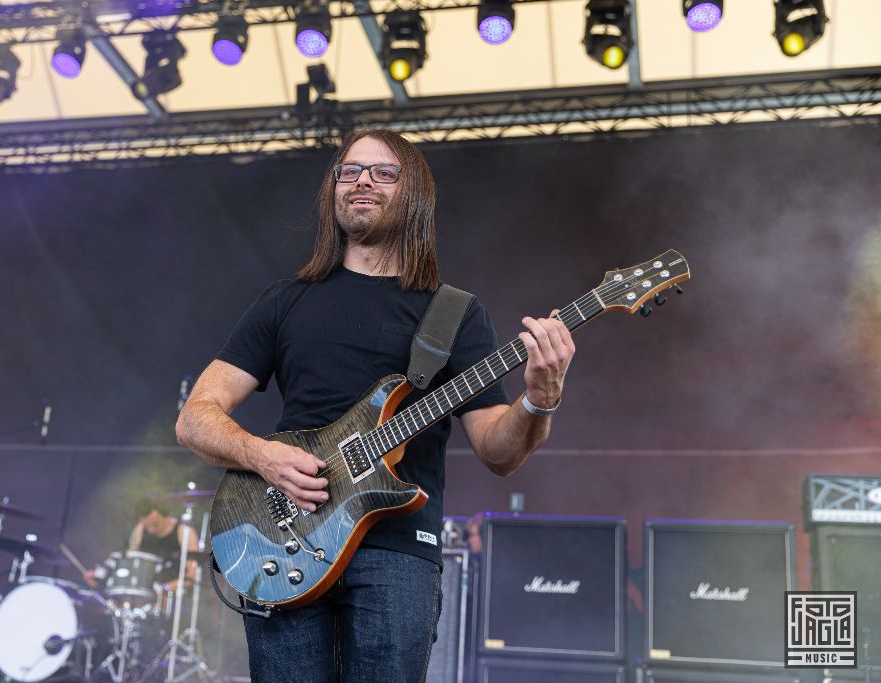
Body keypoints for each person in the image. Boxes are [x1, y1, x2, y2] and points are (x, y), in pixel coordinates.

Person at [175, 129, 574, 682]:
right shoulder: (284, 302)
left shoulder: (453, 313)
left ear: (414, 194)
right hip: (284, 537)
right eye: (350, 170)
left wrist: (539, 399)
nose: (362, 180)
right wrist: (264, 456)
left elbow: (498, 451)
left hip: (398, 552)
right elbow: (195, 418)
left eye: (384, 172)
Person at [83, 498, 199, 591]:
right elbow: (127, 563)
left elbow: (191, 576)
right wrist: (99, 574)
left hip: (175, 598)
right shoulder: (139, 530)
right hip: (144, 593)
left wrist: (165, 589)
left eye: (154, 525)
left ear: (161, 514)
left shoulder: (184, 533)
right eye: (147, 526)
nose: (151, 530)